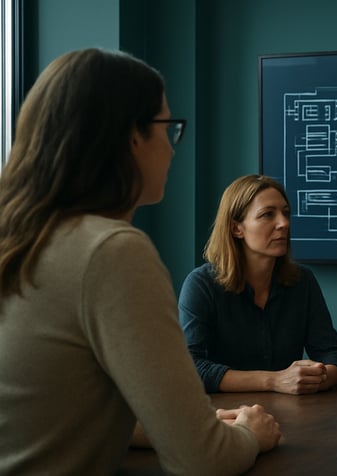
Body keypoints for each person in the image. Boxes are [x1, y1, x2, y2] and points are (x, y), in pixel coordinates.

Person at [0, 48, 281, 475]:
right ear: (133, 138)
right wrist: (249, 433)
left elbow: (55, 413)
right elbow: (203, 462)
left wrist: (176, 427)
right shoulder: (110, 251)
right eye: (168, 128)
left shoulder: (23, 239)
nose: (172, 148)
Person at [178, 174, 337, 394]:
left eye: (285, 213)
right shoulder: (201, 285)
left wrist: (315, 378)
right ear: (236, 228)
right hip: (226, 412)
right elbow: (190, 368)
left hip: (290, 410)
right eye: (267, 214)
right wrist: (274, 381)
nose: (284, 223)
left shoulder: (302, 281)